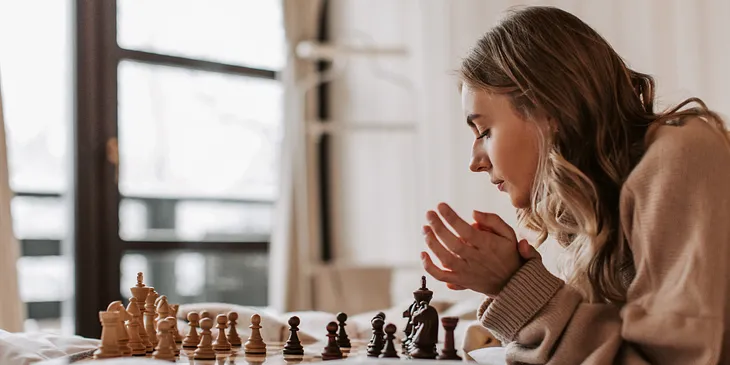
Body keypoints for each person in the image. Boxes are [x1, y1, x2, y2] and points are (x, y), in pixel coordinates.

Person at [420, 6, 730, 364]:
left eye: (484, 131)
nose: (475, 161)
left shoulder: (685, 153)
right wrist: (513, 284)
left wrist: (515, 286)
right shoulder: (596, 213)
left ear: (548, 110)